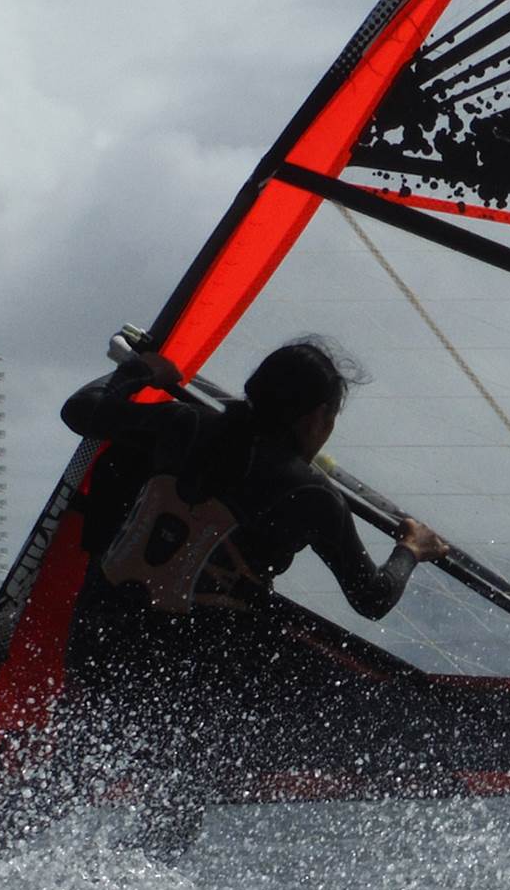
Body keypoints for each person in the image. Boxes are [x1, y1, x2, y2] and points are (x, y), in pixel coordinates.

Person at [56, 337, 448, 855]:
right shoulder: (312, 496)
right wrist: (410, 551)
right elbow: (372, 599)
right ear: (317, 419)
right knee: (174, 809)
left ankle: (66, 863)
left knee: (106, 764)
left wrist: (138, 372)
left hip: (99, 647)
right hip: (190, 680)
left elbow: (80, 409)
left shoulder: (182, 424)